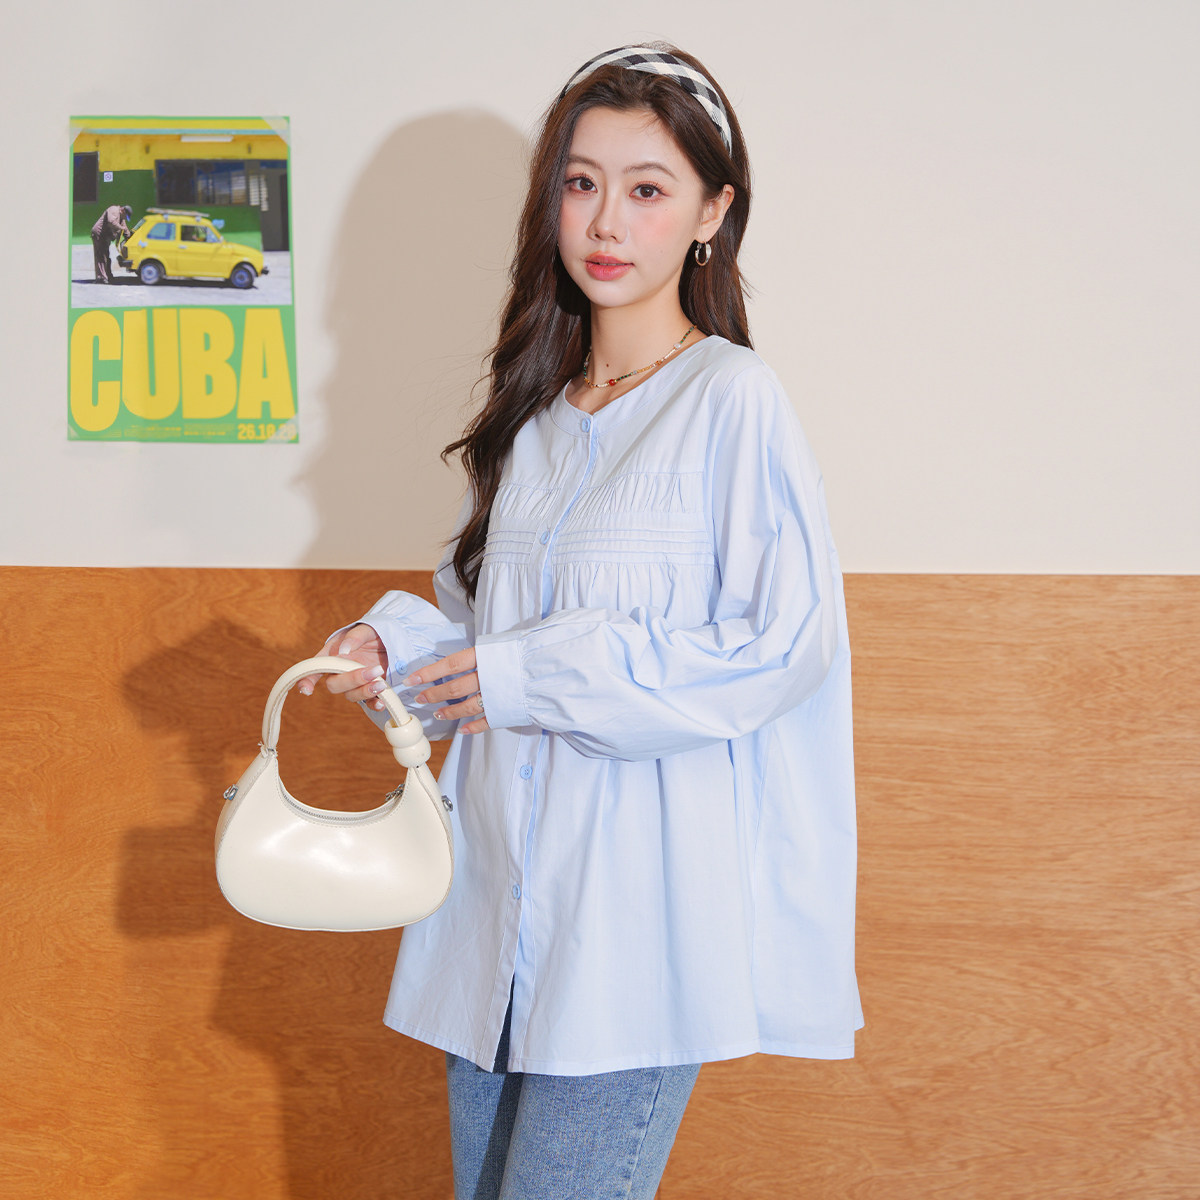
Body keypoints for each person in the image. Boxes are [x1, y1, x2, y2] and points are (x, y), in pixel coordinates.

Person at [300, 43, 861, 1199]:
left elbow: (779, 649)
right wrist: (391, 649)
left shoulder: (731, 402)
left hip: (632, 937)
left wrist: (530, 678)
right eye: (581, 182)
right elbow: (480, 637)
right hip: (490, 911)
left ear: (712, 213)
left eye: (648, 189)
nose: (607, 220)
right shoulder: (534, 419)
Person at [91, 204, 132, 282]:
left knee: (107, 257)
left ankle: (108, 276)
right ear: (123, 210)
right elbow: (111, 222)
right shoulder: (114, 210)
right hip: (99, 234)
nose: (124, 218)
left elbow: (125, 229)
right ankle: (101, 278)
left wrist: (130, 237)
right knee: (101, 256)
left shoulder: (121, 217)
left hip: (105, 236)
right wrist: (121, 228)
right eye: (125, 216)